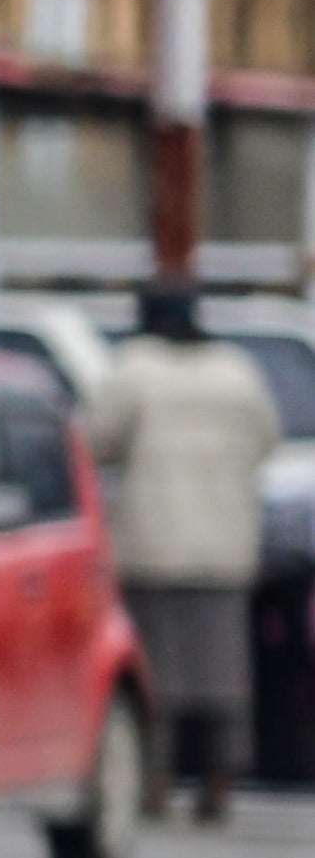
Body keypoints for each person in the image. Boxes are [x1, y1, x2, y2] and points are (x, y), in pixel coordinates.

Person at [91, 279, 278, 827]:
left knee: (156, 676)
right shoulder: (237, 372)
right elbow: (266, 440)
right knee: (223, 674)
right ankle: (219, 782)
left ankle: (156, 782)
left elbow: (99, 440)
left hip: (153, 543)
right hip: (225, 545)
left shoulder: (137, 368)